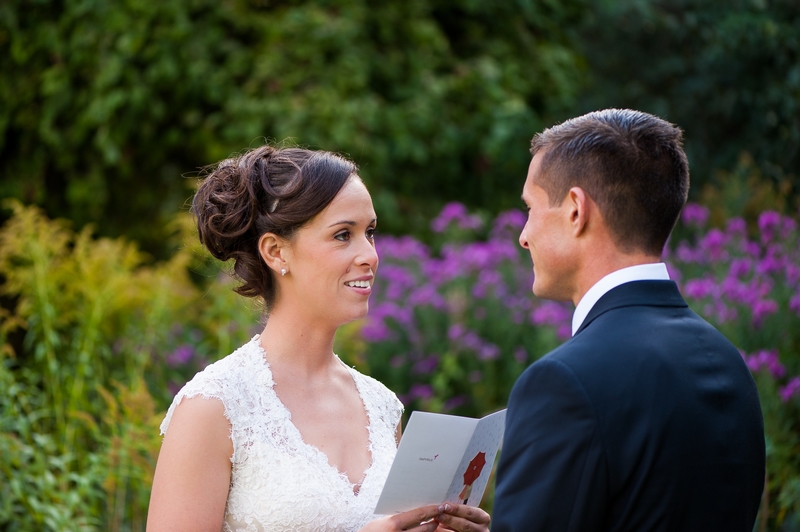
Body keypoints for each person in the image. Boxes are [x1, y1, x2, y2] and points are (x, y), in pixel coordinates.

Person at [146, 146, 491, 532]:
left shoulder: (381, 407)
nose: (370, 255)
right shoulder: (214, 407)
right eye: (343, 235)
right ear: (277, 252)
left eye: (370, 233)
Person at [493, 109, 765, 531]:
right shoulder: (727, 361)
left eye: (530, 208)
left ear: (575, 210)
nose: (523, 235)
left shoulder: (563, 383)